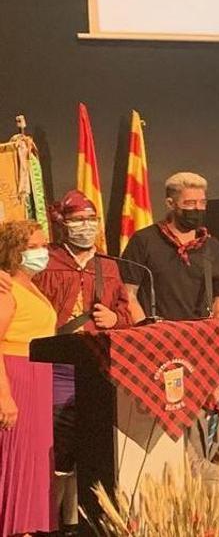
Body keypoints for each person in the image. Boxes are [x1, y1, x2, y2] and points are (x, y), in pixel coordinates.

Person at [32, 190, 140, 532]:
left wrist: (116, 318)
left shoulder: (109, 266)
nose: (86, 226)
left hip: (100, 364)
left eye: (91, 220)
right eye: (78, 220)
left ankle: (83, 521)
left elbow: (126, 310)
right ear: (62, 223)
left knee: (94, 444)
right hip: (55, 365)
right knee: (57, 446)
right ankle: (49, 520)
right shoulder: (45, 261)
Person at [0, 220, 58, 536]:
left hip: (38, 376)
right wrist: (4, 395)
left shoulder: (30, 285)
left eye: (43, 245)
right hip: (16, 376)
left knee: (34, 459)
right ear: (14, 252)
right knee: (15, 459)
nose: (42, 252)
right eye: (32, 247)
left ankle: (25, 527)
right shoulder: (6, 288)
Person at [121, 171, 219, 320]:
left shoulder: (212, 246)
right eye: (190, 203)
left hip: (200, 334)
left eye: (202, 203)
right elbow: (128, 294)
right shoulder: (143, 240)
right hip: (157, 334)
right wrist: (144, 329)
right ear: (170, 204)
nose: (197, 208)